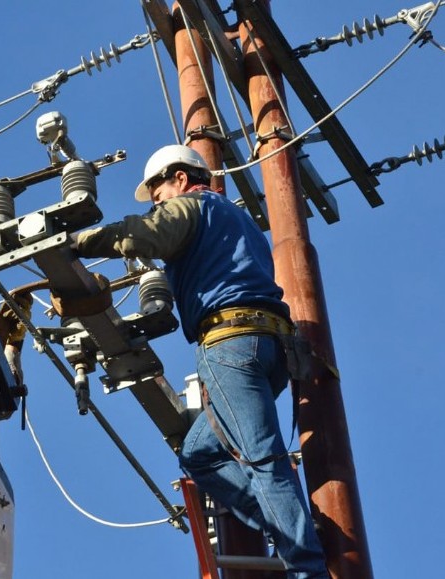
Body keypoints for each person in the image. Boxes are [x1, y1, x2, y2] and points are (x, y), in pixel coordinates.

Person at [73, 145, 329, 578]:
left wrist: (77, 242)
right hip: (269, 351)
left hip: (231, 346)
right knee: (198, 455)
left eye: (158, 191)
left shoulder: (193, 206)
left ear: (180, 177)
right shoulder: (236, 219)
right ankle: (289, 527)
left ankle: (308, 568)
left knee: (263, 459)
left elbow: (143, 235)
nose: (157, 200)